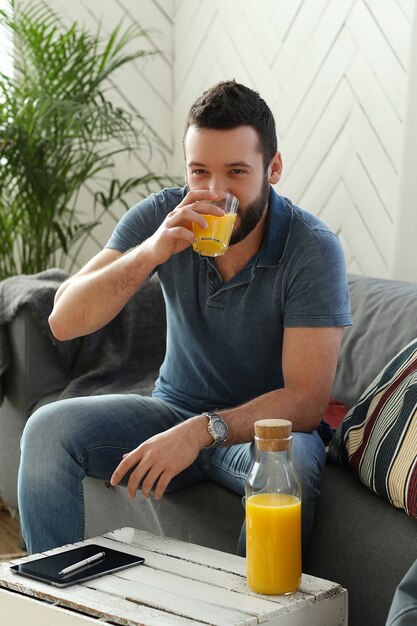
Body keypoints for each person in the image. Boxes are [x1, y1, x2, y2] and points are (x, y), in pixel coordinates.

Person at [18, 80, 352, 555]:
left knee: (289, 467)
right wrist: (151, 252)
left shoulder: (312, 249)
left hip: (263, 434)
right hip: (171, 409)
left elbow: (305, 400)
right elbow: (62, 321)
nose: (215, 194)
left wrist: (199, 432)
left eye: (236, 172)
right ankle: (57, 601)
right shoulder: (162, 216)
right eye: (200, 173)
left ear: (273, 168)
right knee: (47, 430)